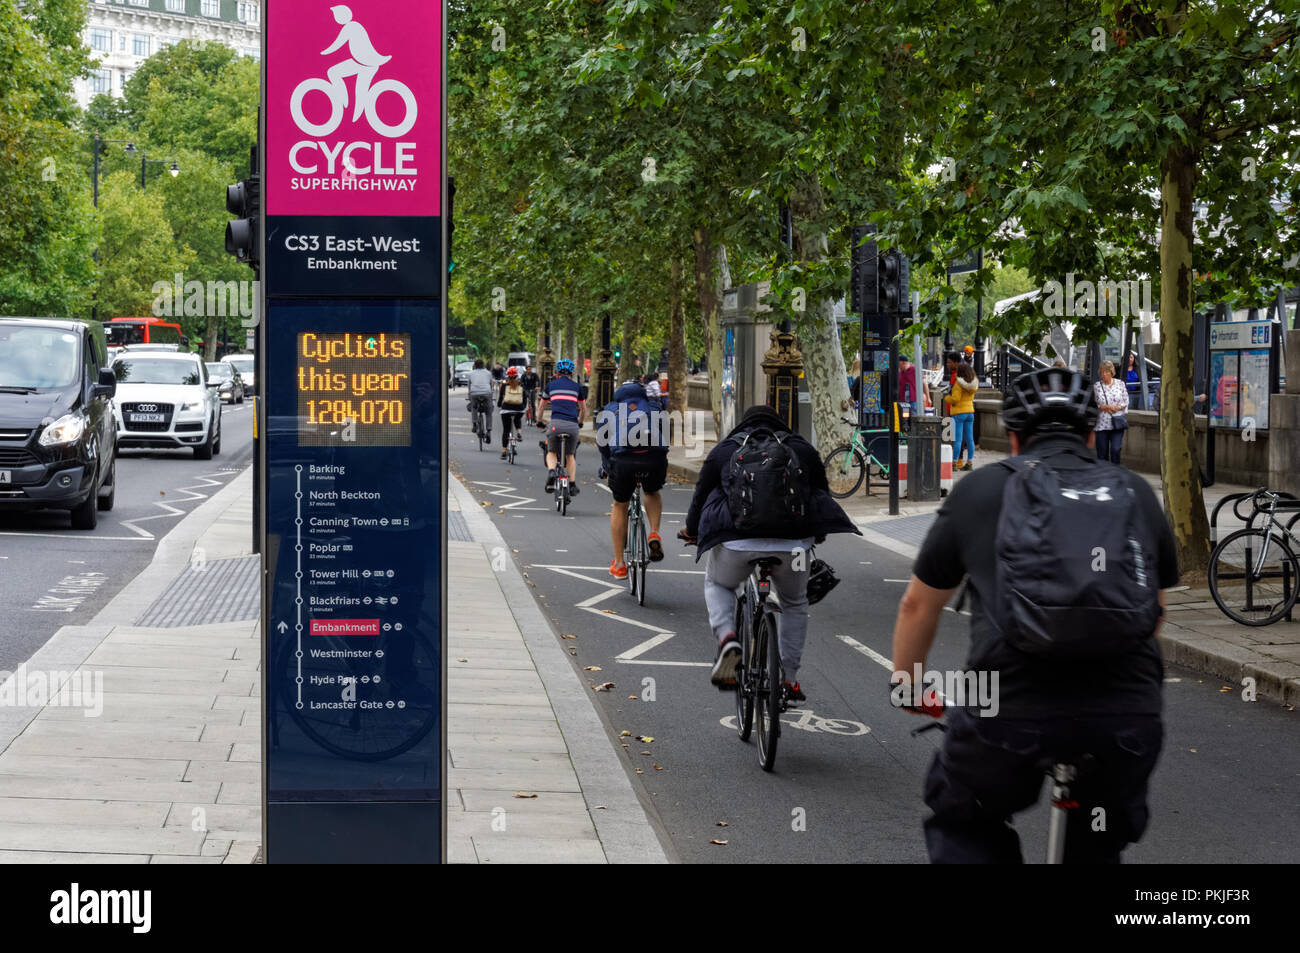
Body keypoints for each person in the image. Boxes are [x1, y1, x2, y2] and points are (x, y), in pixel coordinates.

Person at [890, 366, 1177, 863]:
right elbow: (1154, 614)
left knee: (966, 821)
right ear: (1092, 434)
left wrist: (909, 684)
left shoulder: (980, 491)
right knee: (1101, 835)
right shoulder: (1134, 493)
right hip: (1125, 713)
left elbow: (918, 604)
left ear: (1014, 438)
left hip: (1008, 706)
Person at [680, 405, 859, 702]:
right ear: (781, 425)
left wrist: (692, 531)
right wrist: (819, 535)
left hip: (737, 544)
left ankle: (726, 639)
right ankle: (789, 679)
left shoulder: (725, 451)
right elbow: (821, 497)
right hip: (795, 547)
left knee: (718, 583)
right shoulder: (801, 449)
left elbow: (700, 498)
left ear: (742, 426)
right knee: (795, 602)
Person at [597, 377, 668, 578]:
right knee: (652, 491)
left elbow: (603, 444)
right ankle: (654, 532)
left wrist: (607, 467)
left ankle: (619, 564)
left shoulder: (610, 410)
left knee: (620, 504)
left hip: (623, 461)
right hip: (653, 459)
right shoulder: (654, 407)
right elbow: (665, 437)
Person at [541, 359, 587, 494]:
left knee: (551, 452)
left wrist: (539, 421)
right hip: (572, 425)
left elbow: (541, 406)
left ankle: (551, 472)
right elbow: (583, 409)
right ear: (572, 373)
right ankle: (572, 484)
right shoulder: (577, 387)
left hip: (556, 424)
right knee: (570, 455)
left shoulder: (550, 385)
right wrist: (579, 422)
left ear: (557, 372)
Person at [1094, 360, 1129, 466]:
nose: (1103, 375)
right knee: (1102, 454)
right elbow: (1095, 403)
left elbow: (1126, 401)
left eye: (1106, 372)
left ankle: (1116, 473)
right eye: (1101, 372)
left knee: (1115, 450)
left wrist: (1117, 408)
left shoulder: (1120, 384)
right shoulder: (1097, 386)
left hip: (1117, 423)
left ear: (1111, 372)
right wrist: (1106, 407)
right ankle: (1104, 477)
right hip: (1101, 425)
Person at [947, 362, 978, 470]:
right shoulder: (974, 384)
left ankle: (954, 464)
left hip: (959, 413)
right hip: (970, 412)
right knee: (970, 439)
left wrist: (947, 398)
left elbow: (955, 399)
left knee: (958, 440)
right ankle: (969, 463)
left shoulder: (958, 384)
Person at [497, 366, 526, 459]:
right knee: (517, 418)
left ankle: (504, 451)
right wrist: (523, 407)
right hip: (519, 408)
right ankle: (518, 433)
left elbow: (501, 396)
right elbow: (525, 397)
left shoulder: (505, 385)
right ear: (516, 375)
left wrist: (499, 404)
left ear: (508, 376)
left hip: (506, 409)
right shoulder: (520, 384)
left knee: (506, 430)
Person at [466, 359, 495, 441]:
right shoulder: (488, 373)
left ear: (475, 365)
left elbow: (469, 386)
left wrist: (469, 395)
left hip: (474, 393)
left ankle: (474, 424)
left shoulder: (471, 373)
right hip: (487, 393)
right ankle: (489, 430)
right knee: (489, 411)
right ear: (483, 365)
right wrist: (490, 394)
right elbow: (491, 385)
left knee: (474, 407)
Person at [898, 353, 919, 418]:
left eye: (899, 364)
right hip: (903, 401)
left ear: (904, 363)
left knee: (913, 417)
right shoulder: (900, 373)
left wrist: (928, 397)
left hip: (913, 400)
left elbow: (923, 383)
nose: (899, 367)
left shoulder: (914, 370)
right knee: (904, 419)